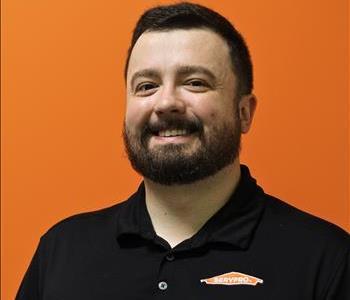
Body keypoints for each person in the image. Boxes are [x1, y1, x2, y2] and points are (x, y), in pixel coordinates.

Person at [16, 2, 349, 299]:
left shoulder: (328, 260)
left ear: (244, 112)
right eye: (147, 86)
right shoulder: (61, 250)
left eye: (195, 82)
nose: (166, 103)